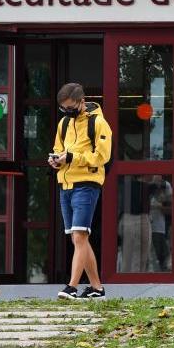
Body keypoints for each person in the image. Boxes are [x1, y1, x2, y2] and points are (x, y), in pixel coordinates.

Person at [51, 83, 112, 300]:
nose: (67, 112)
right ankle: (97, 288)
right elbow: (59, 148)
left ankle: (72, 287)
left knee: (79, 236)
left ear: (81, 101)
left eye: (70, 107)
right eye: (63, 109)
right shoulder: (64, 123)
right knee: (79, 239)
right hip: (65, 184)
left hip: (87, 183)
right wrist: (57, 160)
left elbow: (102, 157)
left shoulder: (98, 123)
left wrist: (73, 158)